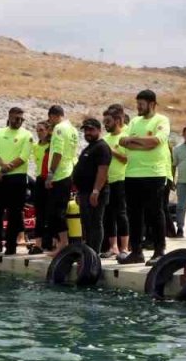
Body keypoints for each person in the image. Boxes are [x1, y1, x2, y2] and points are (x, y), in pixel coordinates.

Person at [119, 90, 171, 266]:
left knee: (155, 213)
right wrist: (144, 143)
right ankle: (136, 252)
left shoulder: (161, 120)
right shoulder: (134, 121)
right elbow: (123, 142)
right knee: (134, 214)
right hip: (132, 174)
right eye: (137, 103)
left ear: (152, 104)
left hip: (154, 174)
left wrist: (135, 141)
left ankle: (159, 251)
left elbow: (156, 141)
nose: (138, 107)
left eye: (141, 104)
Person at [0, 107, 33, 254]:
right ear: (9, 117)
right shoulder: (0, 133)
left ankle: (11, 246)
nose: (19, 121)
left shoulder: (27, 135)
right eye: (16, 118)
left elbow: (23, 157)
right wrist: (2, 166)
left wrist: (4, 170)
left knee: (14, 213)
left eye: (21, 119)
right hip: (0, 178)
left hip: (17, 178)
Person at [73, 118, 112, 254]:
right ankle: (88, 252)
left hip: (95, 193)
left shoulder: (102, 147)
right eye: (86, 130)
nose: (88, 133)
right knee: (86, 223)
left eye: (91, 130)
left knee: (95, 223)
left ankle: (94, 253)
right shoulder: (89, 148)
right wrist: (79, 192)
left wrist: (96, 191)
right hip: (84, 192)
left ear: (99, 130)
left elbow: (103, 170)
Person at [44, 106, 78, 255]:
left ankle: (63, 244)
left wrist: (51, 174)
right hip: (69, 171)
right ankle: (62, 243)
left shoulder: (59, 128)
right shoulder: (73, 129)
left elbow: (58, 152)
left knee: (56, 212)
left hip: (60, 174)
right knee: (59, 210)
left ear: (53, 116)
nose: (49, 121)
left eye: (50, 118)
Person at [100, 105, 130, 258]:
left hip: (121, 179)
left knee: (121, 214)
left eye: (108, 121)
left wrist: (111, 150)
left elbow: (126, 159)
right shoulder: (104, 139)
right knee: (109, 214)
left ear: (117, 121)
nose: (105, 124)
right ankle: (113, 247)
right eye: (104, 121)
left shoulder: (125, 137)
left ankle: (124, 247)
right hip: (107, 181)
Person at [28, 121, 52, 253]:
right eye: (37, 130)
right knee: (39, 212)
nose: (39, 133)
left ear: (48, 131)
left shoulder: (52, 146)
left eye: (41, 130)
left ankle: (51, 242)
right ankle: (38, 244)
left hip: (50, 179)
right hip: (39, 179)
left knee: (50, 212)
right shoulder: (36, 146)